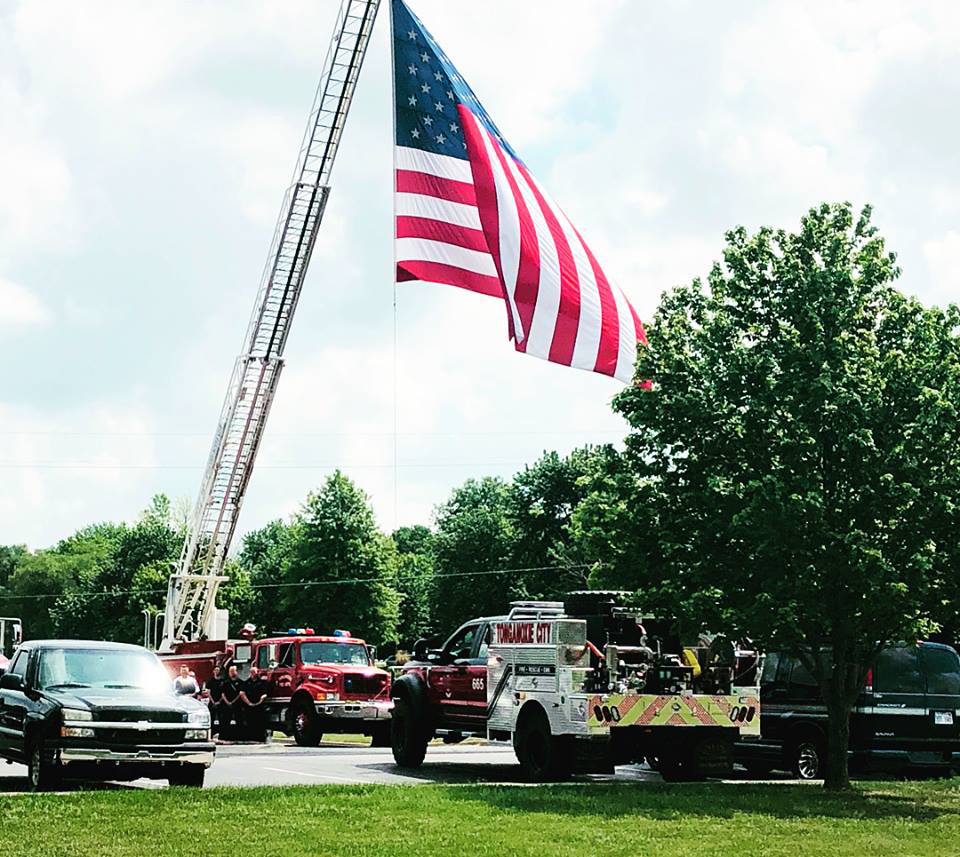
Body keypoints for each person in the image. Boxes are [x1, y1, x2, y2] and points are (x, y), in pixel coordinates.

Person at [240, 666, 271, 742]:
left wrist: (260, 701)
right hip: (249, 706)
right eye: (251, 672)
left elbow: (265, 693)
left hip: (259, 706)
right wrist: (249, 703)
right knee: (250, 722)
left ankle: (260, 738)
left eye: (254, 672)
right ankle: (250, 737)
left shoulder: (262, 682)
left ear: (257, 673)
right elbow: (242, 693)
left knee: (260, 722)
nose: (253, 674)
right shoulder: (246, 682)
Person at [219, 664, 245, 740]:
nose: (232, 673)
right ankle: (223, 736)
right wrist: (227, 702)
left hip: (237, 704)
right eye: (230, 671)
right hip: (226, 704)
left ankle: (240, 737)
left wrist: (233, 702)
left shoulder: (241, 682)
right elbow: (223, 694)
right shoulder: (225, 683)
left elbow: (241, 693)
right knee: (225, 721)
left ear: (236, 672)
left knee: (239, 720)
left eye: (233, 671)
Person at [205, 665, 225, 736]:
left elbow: (224, 693)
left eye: (218, 670)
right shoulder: (210, 681)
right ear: (213, 671)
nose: (217, 671)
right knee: (211, 718)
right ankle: (211, 734)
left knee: (222, 719)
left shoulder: (223, 681)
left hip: (221, 703)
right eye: (215, 670)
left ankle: (222, 734)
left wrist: (219, 701)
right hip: (212, 703)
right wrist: (213, 701)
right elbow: (208, 692)